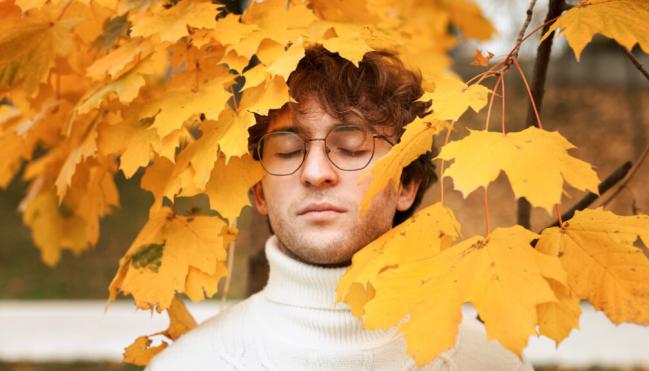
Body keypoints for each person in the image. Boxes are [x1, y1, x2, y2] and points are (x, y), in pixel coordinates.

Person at [147, 46, 533, 370]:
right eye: (288, 150)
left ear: (406, 184)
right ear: (258, 192)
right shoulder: (188, 365)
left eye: (350, 147)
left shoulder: (489, 361)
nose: (316, 173)